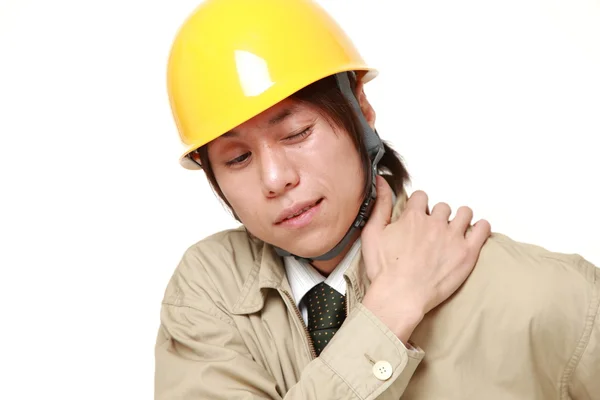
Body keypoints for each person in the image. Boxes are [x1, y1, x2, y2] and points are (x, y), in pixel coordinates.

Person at [154, 0, 600, 398]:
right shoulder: (209, 293)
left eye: (297, 133)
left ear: (361, 109)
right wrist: (388, 313)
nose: (275, 179)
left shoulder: (549, 300)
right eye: (237, 158)